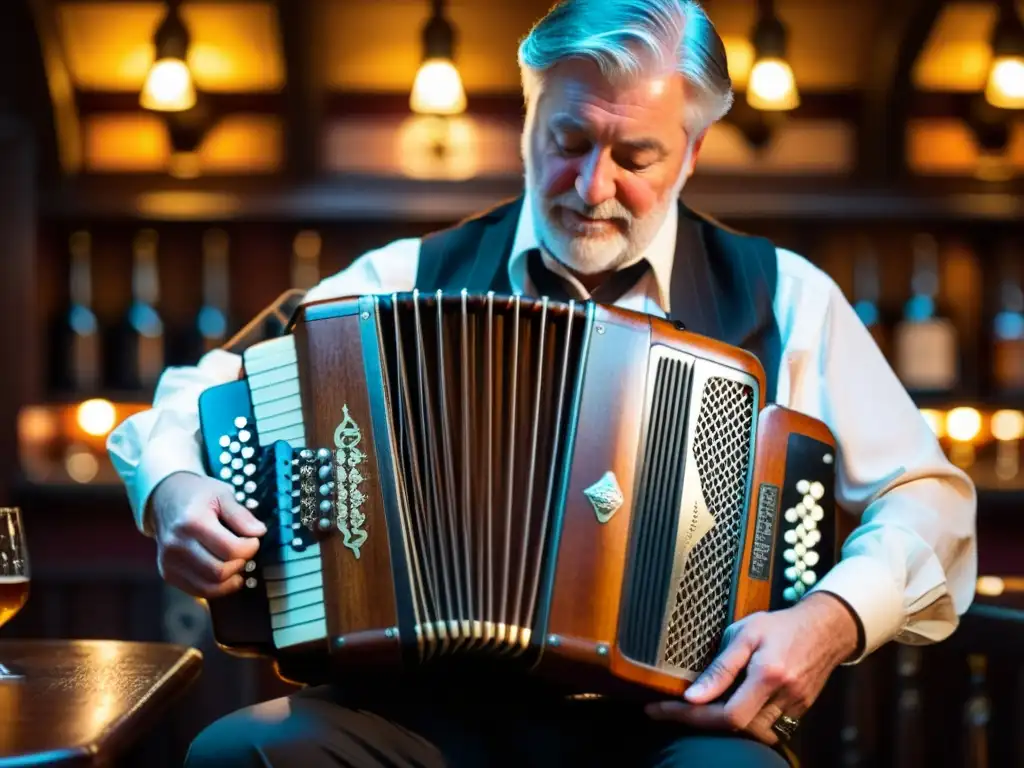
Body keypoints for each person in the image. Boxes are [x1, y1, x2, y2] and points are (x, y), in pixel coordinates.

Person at [106, 1, 977, 765]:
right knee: (242, 754)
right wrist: (174, 489)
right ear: (528, 119)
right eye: (567, 142)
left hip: (683, 723)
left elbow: (932, 503)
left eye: (636, 155)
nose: (593, 186)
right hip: (430, 714)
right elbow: (198, 388)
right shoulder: (407, 277)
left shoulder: (786, 296)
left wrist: (832, 617)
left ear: (694, 151)